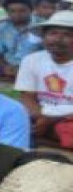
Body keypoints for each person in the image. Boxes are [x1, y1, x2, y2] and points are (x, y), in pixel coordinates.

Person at [14, 9, 73, 148]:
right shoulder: (31, 60)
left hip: (68, 119)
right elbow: (27, 96)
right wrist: (39, 116)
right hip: (39, 115)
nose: (58, 39)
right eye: (53, 33)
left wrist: (51, 120)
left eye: (67, 35)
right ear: (44, 37)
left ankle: (41, 140)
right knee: (8, 117)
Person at [0, 0, 41, 78]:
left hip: (37, 68)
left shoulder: (42, 26)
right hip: (8, 67)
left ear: (31, 10)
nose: (17, 14)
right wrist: (5, 67)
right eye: (12, 11)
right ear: (7, 12)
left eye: (22, 11)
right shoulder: (1, 28)